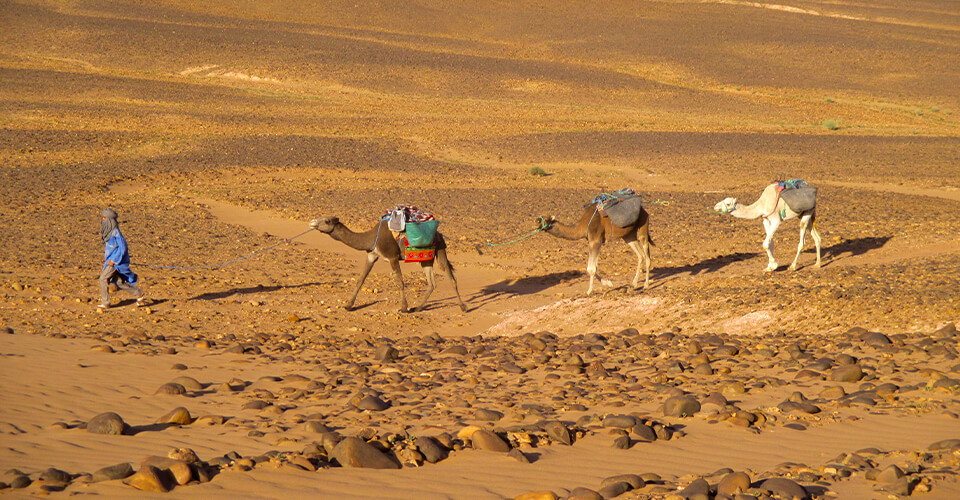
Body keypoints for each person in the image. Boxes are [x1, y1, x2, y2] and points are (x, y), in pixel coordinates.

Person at [99, 208, 145, 309]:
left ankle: (105, 302)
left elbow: (122, 247)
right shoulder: (108, 232)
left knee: (103, 279)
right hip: (110, 261)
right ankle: (139, 293)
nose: (102, 219)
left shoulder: (115, 232)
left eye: (104, 218)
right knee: (119, 282)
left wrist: (114, 260)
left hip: (115, 262)